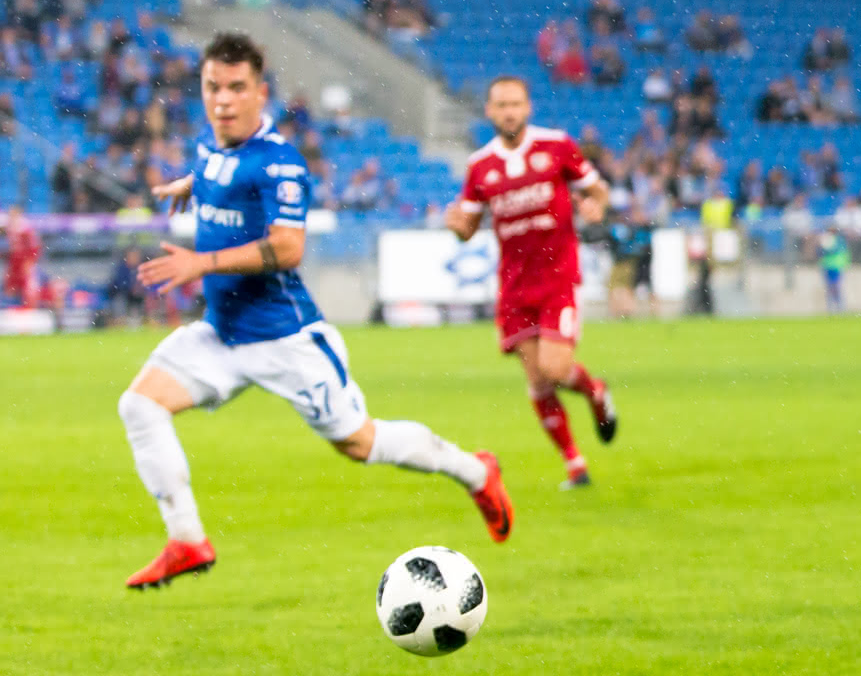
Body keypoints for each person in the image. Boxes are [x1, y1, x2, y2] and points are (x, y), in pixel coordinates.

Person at [120, 33, 512, 590]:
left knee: (359, 443)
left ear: (260, 93)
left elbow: (288, 247)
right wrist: (194, 185)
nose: (223, 100)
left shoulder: (280, 163)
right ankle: (186, 539)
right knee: (139, 405)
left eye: (236, 88)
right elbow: (221, 174)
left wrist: (201, 262)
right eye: (213, 87)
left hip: (287, 340)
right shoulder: (211, 149)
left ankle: (475, 471)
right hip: (223, 336)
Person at [445, 77, 619, 490]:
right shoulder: (480, 166)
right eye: (501, 104)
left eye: (515, 104)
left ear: (528, 108)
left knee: (555, 368)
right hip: (514, 286)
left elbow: (597, 189)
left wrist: (597, 205)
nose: (509, 112)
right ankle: (575, 464)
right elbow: (466, 225)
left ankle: (595, 391)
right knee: (538, 380)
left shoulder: (556, 146)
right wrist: (456, 226)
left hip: (556, 277)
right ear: (489, 111)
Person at [3, 206, 43, 307]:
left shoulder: (25, 229)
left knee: (28, 284)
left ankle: (29, 308)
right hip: (14, 260)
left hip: (24, 260)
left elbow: (35, 246)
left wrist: (30, 261)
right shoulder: (9, 227)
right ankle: (10, 307)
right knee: (11, 285)